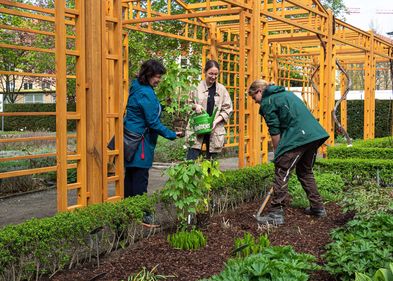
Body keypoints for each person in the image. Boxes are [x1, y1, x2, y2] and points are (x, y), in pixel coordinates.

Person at [247, 79, 329, 225]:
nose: (255, 101)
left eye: (254, 97)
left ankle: (275, 213)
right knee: (305, 171)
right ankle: (318, 207)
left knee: (282, 170)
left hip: (299, 137)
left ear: (259, 91)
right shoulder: (286, 94)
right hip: (314, 135)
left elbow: (274, 130)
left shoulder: (268, 102)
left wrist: (278, 152)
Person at [124, 59, 182, 226]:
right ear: (148, 75)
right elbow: (153, 122)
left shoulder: (136, 86)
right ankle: (144, 216)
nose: (159, 80)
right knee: (140, 180)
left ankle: (128, 214)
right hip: (140, 143)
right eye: (157, 76)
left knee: (130, 180)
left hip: (130, 140)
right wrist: (172, 134)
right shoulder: (146, 93)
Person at [185, 60, 233, 160]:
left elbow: (227, 109)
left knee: (212, 164)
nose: (213, 77)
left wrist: (215, 121)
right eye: (210, 73)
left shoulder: (222, 89)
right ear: (204, 72)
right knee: (191, 160)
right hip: (197, 128)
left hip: (214, 129)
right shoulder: (195, 87)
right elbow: (187, 105)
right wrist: (195, 106)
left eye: (216, 74)